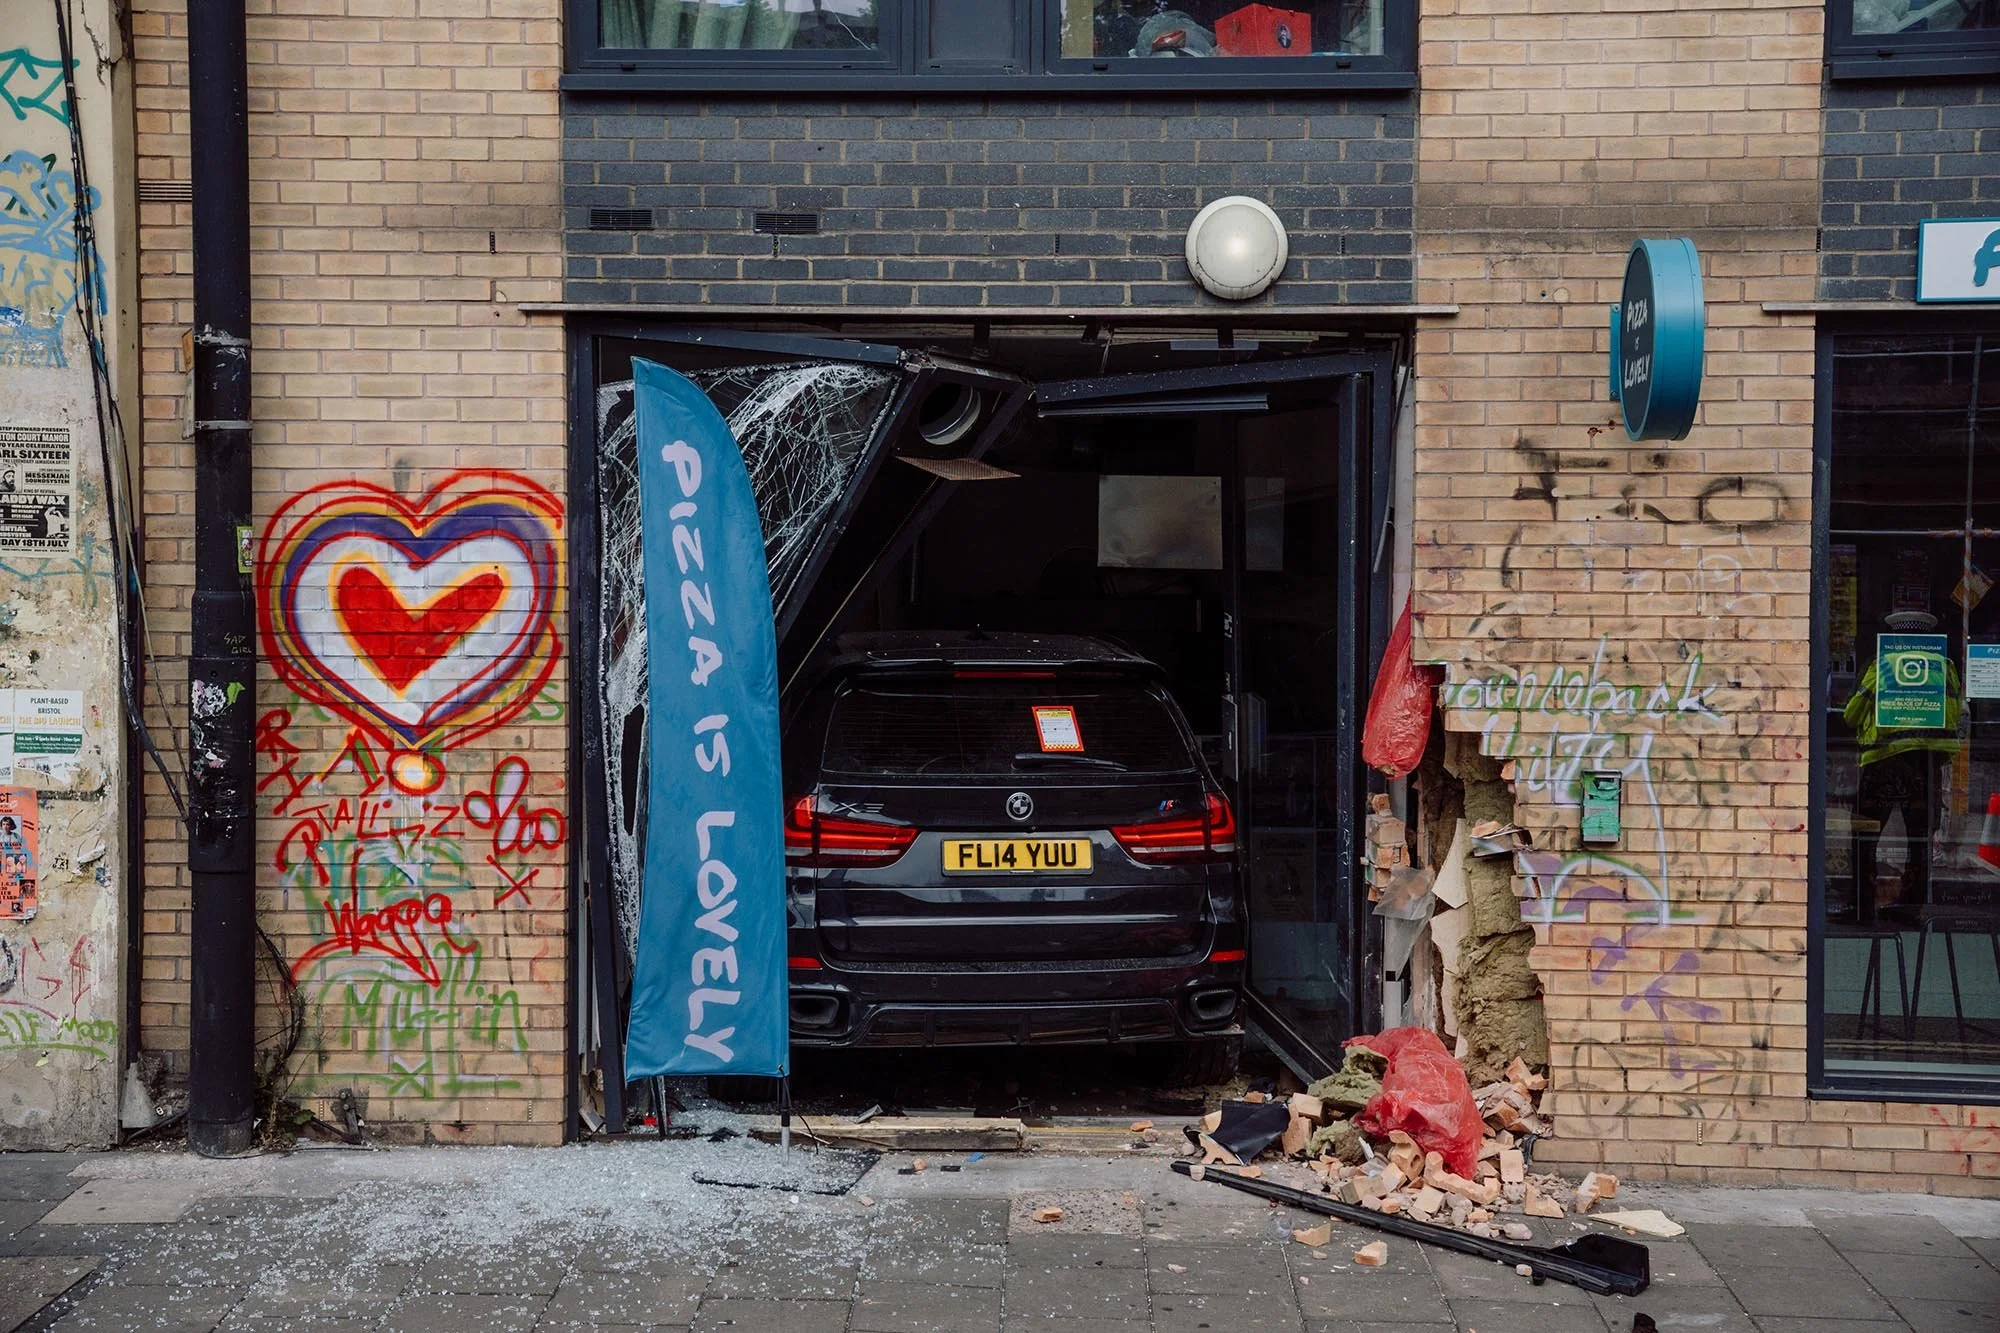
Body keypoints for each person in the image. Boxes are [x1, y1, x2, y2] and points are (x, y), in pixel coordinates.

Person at [1843, 610, 1963, 914]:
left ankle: (1862, 906)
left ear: (1895, 636)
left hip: (1883, 762)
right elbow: (1955, 715)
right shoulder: (1945, 667)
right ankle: (1911, 907)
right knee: (1920, 840)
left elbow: (1852, 714)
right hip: (1926, 765)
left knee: (1865, 835)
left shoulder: (1882, 664)